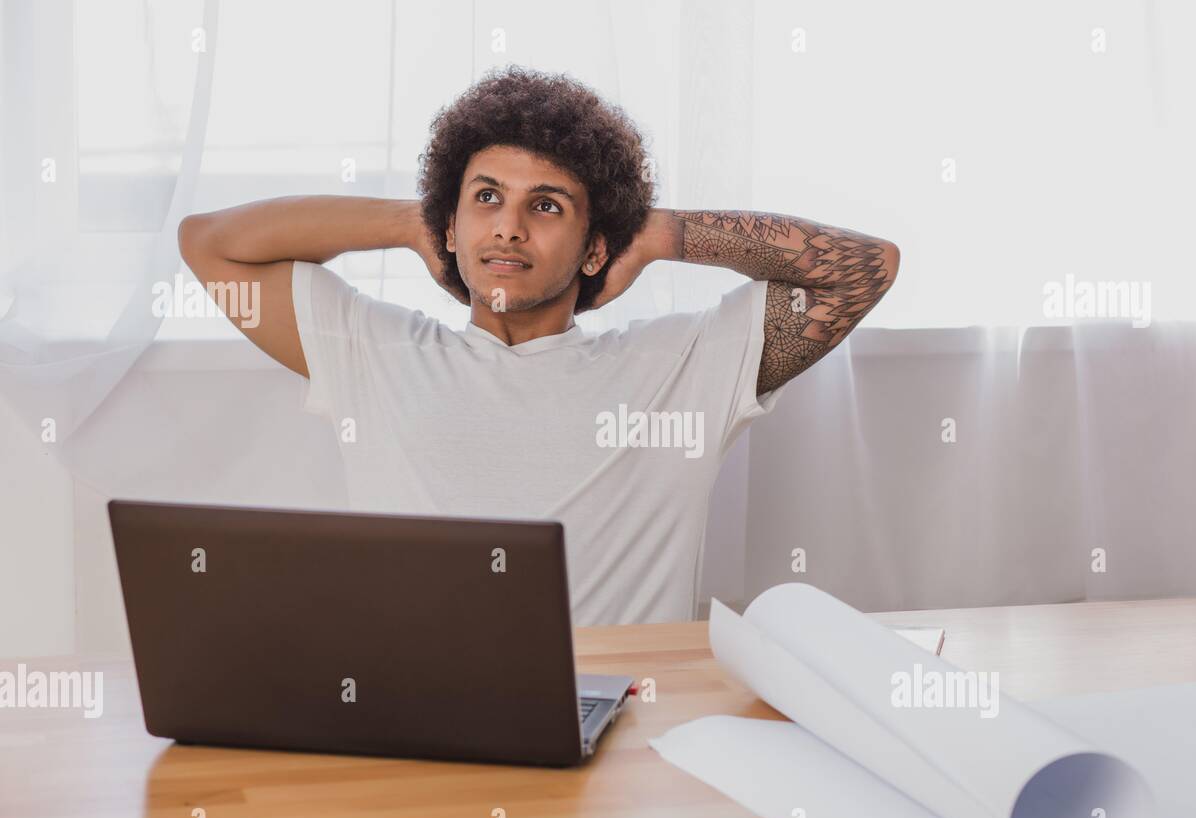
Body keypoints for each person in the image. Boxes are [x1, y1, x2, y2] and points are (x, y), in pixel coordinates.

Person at [177, 65, 899, 627]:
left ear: (594, 249)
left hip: (615, 730)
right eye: (486, 197)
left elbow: (865, 268)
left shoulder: (680, 369)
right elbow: (209, 244)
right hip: (422, 725)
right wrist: (409, 221)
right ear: (451, 228)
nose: (508, 227)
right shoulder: (370, 350)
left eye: (545, 206)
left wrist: (659, 234)